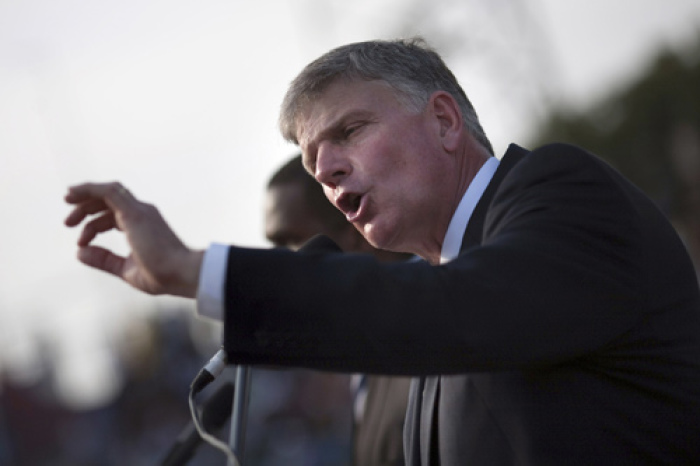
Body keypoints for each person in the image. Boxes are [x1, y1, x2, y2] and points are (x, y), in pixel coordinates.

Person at [64, 38, 700, 464]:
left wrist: (196, 270)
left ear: (445, 123)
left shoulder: (562, 191)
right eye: (315, 165)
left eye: (350, 131)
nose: (329, 172)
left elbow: (456, 311)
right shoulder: (432, 308)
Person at [266, 154, 411, 466]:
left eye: (290, 242)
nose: (278, 266)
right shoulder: (366, 348)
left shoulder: (424, 339)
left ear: (355, 229)